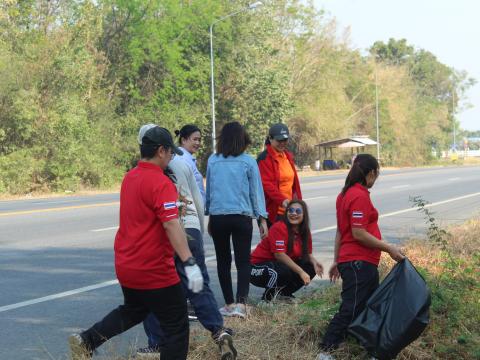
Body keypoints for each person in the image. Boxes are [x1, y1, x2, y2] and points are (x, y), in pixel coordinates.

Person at [68, 125, 204, 360]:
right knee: (177, 324)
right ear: (161, 151)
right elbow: (171, 224)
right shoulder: (161, 183)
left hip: (127, 265)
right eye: (170, 153)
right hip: (154, 269)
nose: (171, 157)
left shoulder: (130, 177)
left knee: (134, 310)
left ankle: (87, 340)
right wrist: (189, 261)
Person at [138, 125, 236, 359]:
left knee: (152, 287)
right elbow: (197, 197)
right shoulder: (184, 162)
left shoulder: (153, 168)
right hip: (191, 228)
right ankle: (218, 330)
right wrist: (199, 231)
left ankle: (157, 344)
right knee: (197, 285)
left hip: (170, 231)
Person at [316, 154, 405, 360]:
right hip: (359, 262)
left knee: (368, 307)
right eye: (377, 174)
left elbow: (341, 231)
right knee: (352, 306)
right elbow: (358, 233)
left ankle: (371, 349)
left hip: (354, 261)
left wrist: (338, 260)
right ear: (371, 173)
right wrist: (388, 248)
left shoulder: (344, 194)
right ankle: (326, 350)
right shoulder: (359, 195)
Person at [206, 121, 269, 318]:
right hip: (241, 217)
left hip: (218, 217)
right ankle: (241, 305)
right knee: (243, 261)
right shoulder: (248, 161)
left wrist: (210, 214)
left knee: (223, 261)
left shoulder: (213, 160)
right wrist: (262, 218)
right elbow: (255, 192)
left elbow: (210, 191)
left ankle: (228, 304)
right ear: (243, 139)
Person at [250, 200, 324, 301]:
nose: (293, 213)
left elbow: (307, 253)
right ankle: (267, 299)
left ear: (304, 215)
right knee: (282, 271)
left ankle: (284, 294)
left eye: (298, 211)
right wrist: (301, 272)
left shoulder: (304, 231)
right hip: (256, 267)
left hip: (277, 265)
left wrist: (315, 263)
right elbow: (279, 255)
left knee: (310, 267)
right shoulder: (279, 227)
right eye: (291, 210)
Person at [257, 123, 302, 227]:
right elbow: (267, 185)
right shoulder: (264, 159)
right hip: (273, 212)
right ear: (270, 139)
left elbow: (293, 184)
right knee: (274, 242)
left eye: (285, 140)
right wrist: (283, 201)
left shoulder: (287, 155)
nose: (282, 143)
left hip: (290, 210)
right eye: (279, 140)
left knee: (292, 242)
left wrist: (298, 203)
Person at [175, 124, 206, 204]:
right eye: (195, 139)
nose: (198, 143)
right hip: (189, 208)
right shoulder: (182, 159)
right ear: (183, 140)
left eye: (199, 140)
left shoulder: (187, 158)